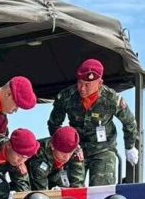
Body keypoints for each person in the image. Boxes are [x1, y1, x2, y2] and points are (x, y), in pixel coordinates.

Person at [47, 58, 139, 186]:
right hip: (75, 149)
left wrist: (130, 147)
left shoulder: (111, 99)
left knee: (101, 189)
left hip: (103, 149)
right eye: (80, 83)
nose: (82, 88)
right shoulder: (67, 97)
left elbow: (129, 122)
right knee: (70, 188)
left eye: (87, 85)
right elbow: (54, 123)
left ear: (99, 83)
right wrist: (63, 146)